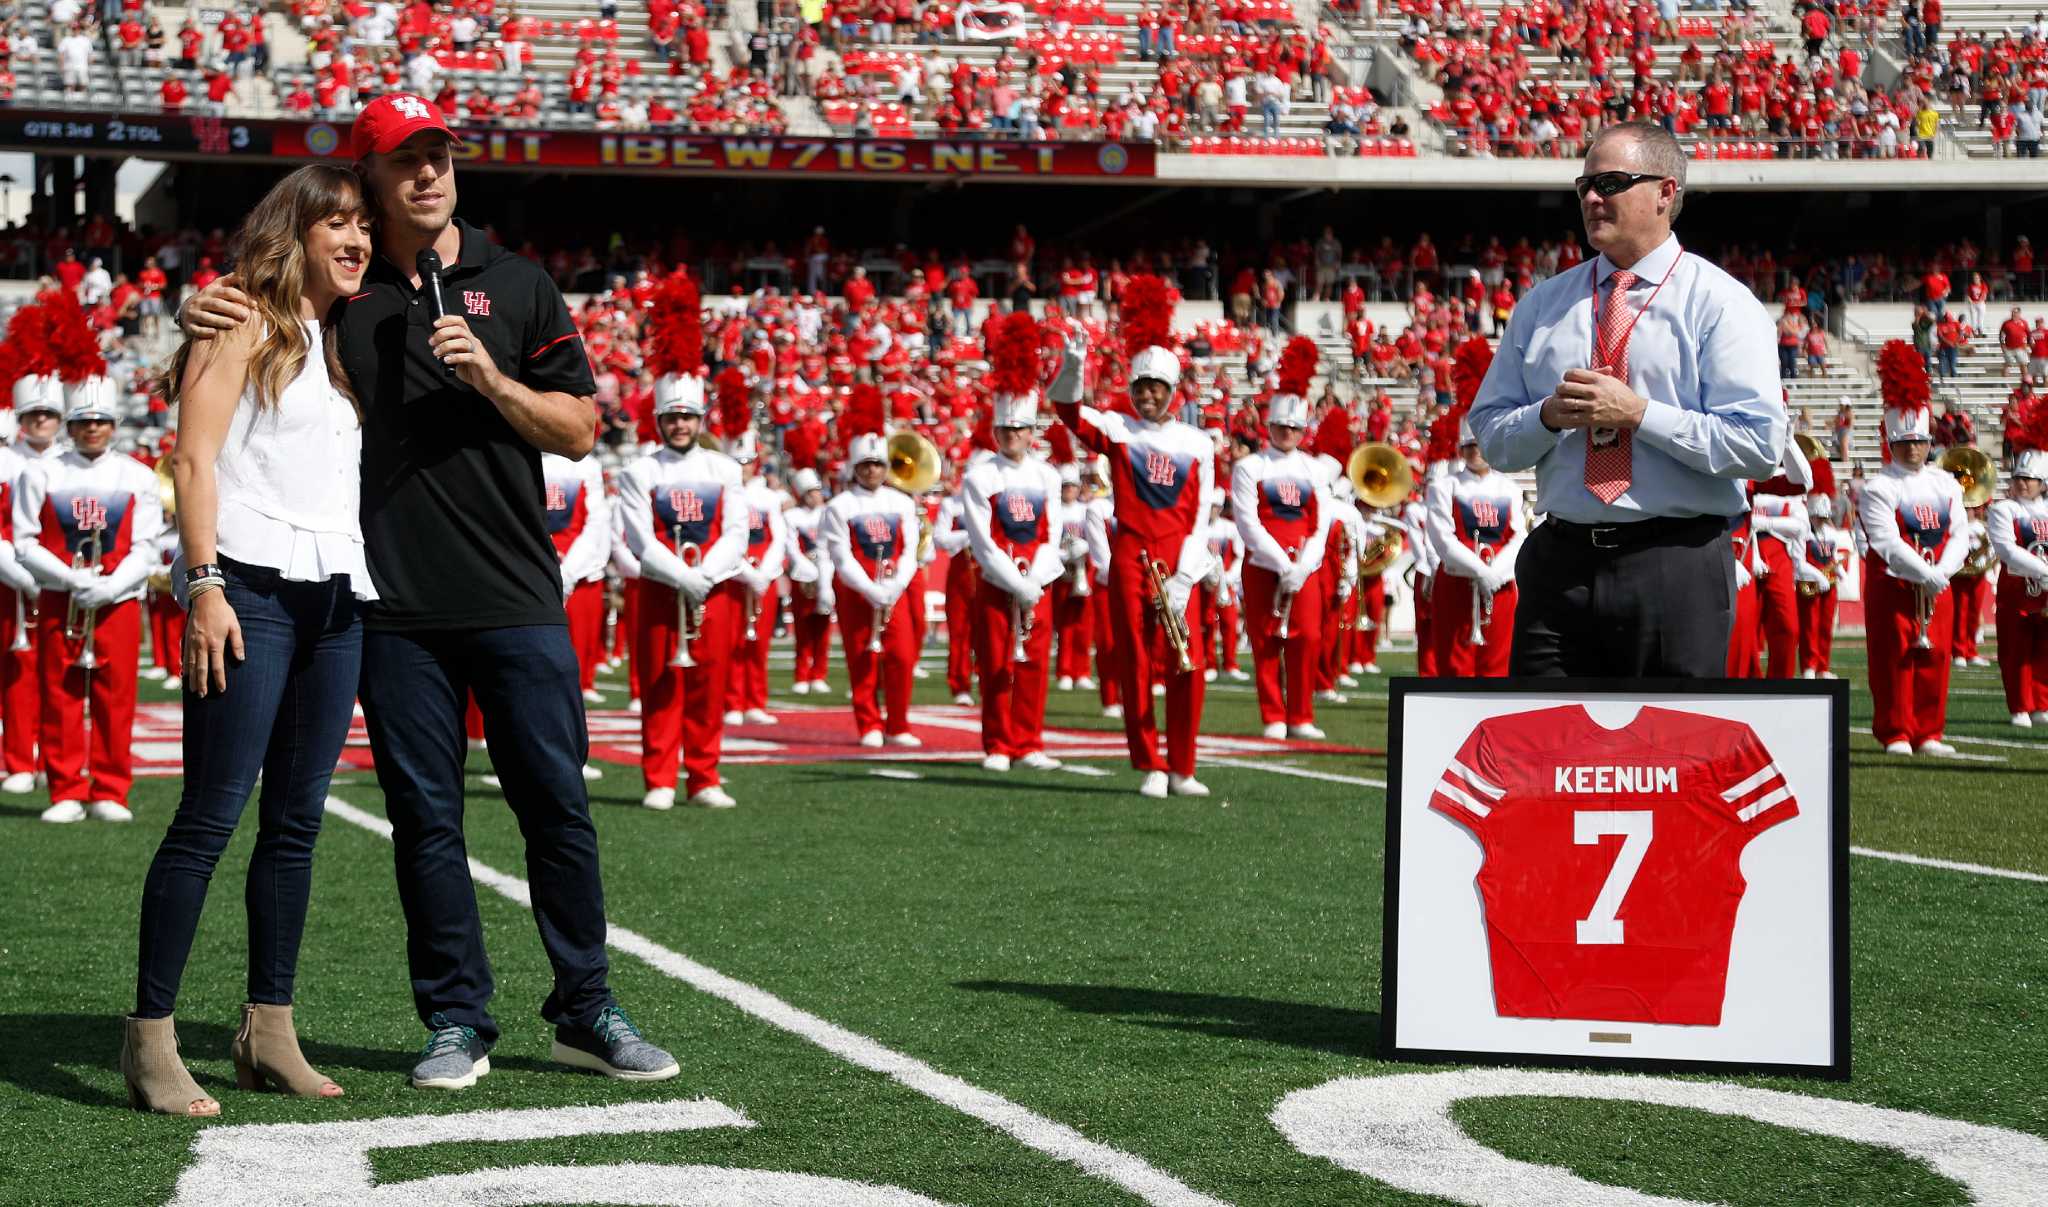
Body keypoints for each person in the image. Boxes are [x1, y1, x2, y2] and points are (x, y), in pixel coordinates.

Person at [181, 94, 676, 1090]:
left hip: (518, 594)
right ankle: (455, 1015)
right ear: (366, 179)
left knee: (557, 811)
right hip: (394, 607)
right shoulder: (338, 292)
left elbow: (582, 428)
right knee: (426, 820)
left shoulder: (519, 280)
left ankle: (588, 1006)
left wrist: (491, 382)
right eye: (405, 160)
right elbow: (240, 335)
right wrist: (199, 305)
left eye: (440, 155)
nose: (428, 174)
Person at [125, 165, 375, 1117]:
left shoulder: (334, 333)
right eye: (336, 225)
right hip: (248, 591)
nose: (353, 240)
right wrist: (204, 585)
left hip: (336, 596)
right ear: (294, 233)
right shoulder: (237, 319)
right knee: (210, 816)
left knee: (297, 826)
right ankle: (150, 1038)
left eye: (362, 226)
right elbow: (190, 456)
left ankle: (268, 1029)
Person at [1468, 121, 1784, 678]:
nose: (1591, 197)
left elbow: (1759, 447)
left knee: (1668, 754)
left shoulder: (1721, 304)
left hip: (1674, 560)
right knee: (1549, 754)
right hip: (1559, 560)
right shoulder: (1544, 304)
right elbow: (1492, 435)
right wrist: (1545, 417)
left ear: (1667, 192)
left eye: (1611, 182)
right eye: (1584, 184)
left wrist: (1638, 414)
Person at [1052, 288, 1216, 799]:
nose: (1147, 396)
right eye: (1140, 387)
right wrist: (1075, 361)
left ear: (1173, 392)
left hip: (1180, 559)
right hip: (1130, 556)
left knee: (1188, 661)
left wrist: (1187, 576)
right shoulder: (1118, 429)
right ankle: (1150, 762)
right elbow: (1067, 410)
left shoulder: (1199, 442)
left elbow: (1203, 512)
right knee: (1136, 661)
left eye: (1156, 388)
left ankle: (1185, 766)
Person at [16, 367, 162, 824]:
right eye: (83, 421)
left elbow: (148, 545)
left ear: (115, 425)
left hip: (116, 601)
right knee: (59, 696)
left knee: (115, 698)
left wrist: (111, 586)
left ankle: (111, 790)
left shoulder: (136, 475)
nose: (92, 428)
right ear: (69, 425)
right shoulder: (41, 473)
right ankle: (65, 790)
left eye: (101, 420)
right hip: (63, 598)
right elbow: (24, 541)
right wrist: (71, 578)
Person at [618, 371, 745, 810]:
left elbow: (735, 533)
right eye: (672, 417)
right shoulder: (640, 471)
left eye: (688, 417)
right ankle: (660, 779)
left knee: (709, 685)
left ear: (700, 418)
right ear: (659, 420)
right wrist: (682, 575)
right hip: (660, 589)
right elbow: (639, 539)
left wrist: (705, 574)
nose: (680, 425)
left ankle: (705, 778)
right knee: (660, 683)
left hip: (713, 589)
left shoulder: (725, 469)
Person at [959, 351, 1065, 772]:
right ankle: (999, 744)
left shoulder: (1047, 475)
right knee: (996, 662)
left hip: (1037, 579)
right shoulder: (980, 475)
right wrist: (1013, 580)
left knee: (1035, 663)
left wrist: (1034, 579)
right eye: (1005, 429)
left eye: (1019, 429)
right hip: (997, 581)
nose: (1012, 435)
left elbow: (1052, 532)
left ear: (1031, 432)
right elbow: (981, 539)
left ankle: (1029, 741)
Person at [1860, 382, 1967, 755]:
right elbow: (1885, 541)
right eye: (1905, 443)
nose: (1914, 449)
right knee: (1893, 657)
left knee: (1936, 656)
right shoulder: (1879, 486)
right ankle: (1896, 732)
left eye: (1919, 441)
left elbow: (1960, 535)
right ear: (1892, 445)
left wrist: (1942, 572)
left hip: (1937, 582)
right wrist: (1927, 572)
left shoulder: (1946, 483)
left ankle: (1929, 732)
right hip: (1895, 583)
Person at [1232, 384, 1333, 739]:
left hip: (1305, 566)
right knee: (1265, 639)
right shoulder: (1249, 466)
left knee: (1307, 639)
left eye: (1294, 427)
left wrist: (1303, 566)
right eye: (1280, 426)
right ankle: (1273, 714)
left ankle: (1301, 716)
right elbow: (1247, 521)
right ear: (1269, 426)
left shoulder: (1315, 469)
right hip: (1263, 564)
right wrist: (1282, 563)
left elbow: (1322, 523)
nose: (1287, 432)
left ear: (1303, 431)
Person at [819, 400, 921, 748]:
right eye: (866, 465)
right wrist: (868, 588)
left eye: (878, 465)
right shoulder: (839, 506)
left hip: (894, 588)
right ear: (855, 468)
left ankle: (899, 723)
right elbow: (840, 555)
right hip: (857, 592)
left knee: (902, 658)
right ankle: (869, 724)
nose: (873, 471)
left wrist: (894, 586)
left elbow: (909, 550)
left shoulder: (903, 503)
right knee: (862, 658)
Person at [0, 370, 64, 794]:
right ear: (20, 418)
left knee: (62, 677)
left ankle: (57, 763)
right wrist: (21, 573)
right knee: (18, 673)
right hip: (12, 581)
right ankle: (20, 759)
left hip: (63, 583)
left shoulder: (70, 461)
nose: (41, 420)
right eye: (33, 413)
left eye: (49, 413)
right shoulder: (4, 461)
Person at [1428, 414, 1525, 677]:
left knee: (1498, 662)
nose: (1476, 451)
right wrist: (1480, 571)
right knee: (1455, 663)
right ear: (1461, 450)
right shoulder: (1444, 486)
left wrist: (1495, 574)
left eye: (1481, 444)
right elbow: (1443, 539)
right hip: (1458, 582)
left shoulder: (1510, 488)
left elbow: (1518, 536)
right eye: (1469, 446)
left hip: (1501, 584)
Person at [542, 448, 611, 710]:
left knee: (580, 645)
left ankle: (581, 691)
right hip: (533, 568)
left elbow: (595, 521)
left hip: (579, 570)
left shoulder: (587, 466)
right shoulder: (516, 456)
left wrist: (568, 571)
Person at [1988, 431, 2048, 726]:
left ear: (2043, 483)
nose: (2022, 483)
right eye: (2018, 477)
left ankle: (2041, 703)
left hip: (2045, 591)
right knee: (2016, 649)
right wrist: (2044, 571)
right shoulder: (2004, 509)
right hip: (2016, 587)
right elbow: (2006, 549)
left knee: (2044, 649)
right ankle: (2020, 707)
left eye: (2029, 479)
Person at [725, 457, 786, 727]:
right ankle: (732, 702)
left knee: (759, 643)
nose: (743, 467)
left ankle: (755, 702)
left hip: (763, 576)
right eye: (738, 462)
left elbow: (779, 537)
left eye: (748, 462)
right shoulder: (725, 493)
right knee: (732, 643)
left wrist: (764, 572)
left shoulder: (768, 498)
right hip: (733, 577)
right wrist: (743, 571)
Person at [783, 468, 835, 695]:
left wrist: (825, 573)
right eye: (812, 492)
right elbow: (790, 546)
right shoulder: (792, 516)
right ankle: (801, 675)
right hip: (802, 577)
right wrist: (805, 567)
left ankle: (819, 674)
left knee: (823, 629)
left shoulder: (829, 513)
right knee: (803, 628)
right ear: (803, 495)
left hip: (826, 574)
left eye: (819, 492)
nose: (818, 496)